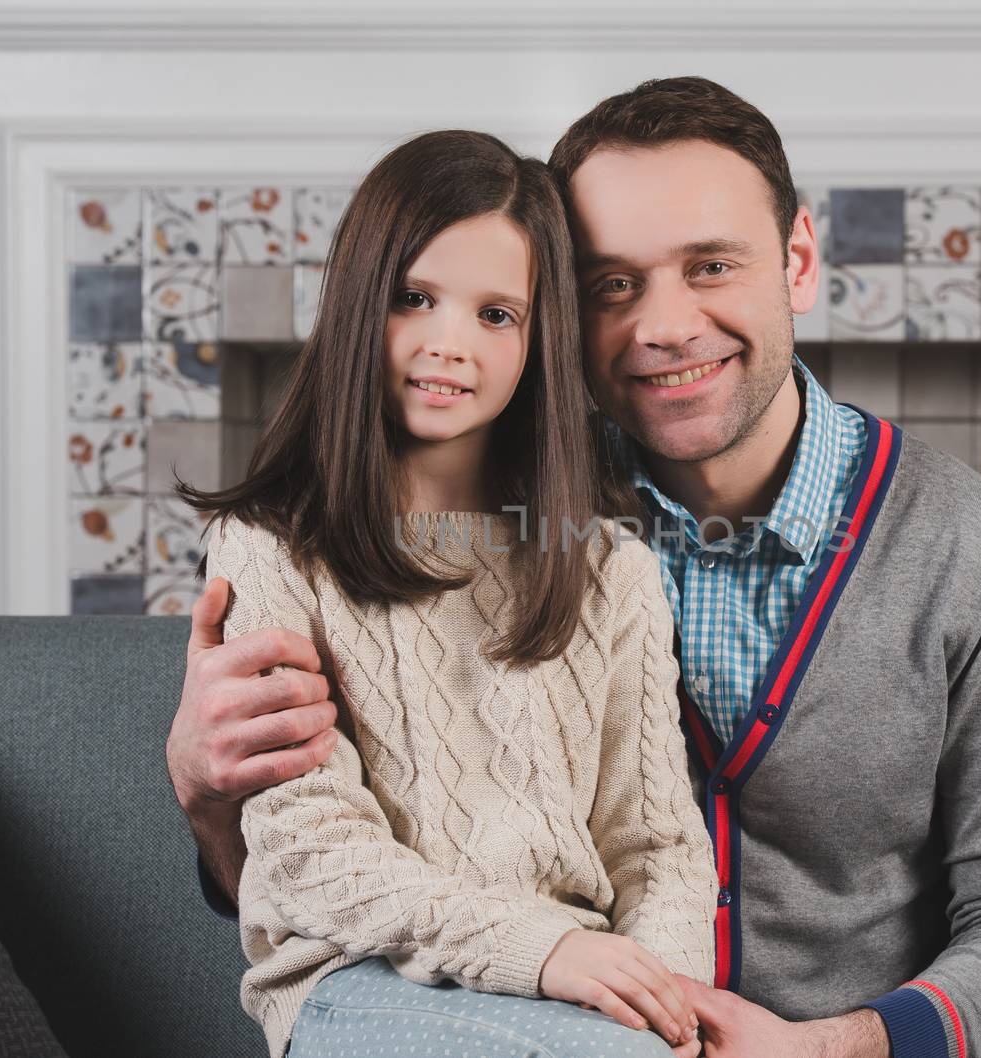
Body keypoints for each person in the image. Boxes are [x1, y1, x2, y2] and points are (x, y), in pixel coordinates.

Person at [168, 78, 981, 1058]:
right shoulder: (479, 503)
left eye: (710, 265)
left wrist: (824, 1048)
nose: (663, 325)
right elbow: (332, 863)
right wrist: (206, 797)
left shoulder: (976, 553)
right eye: (612, 283)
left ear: (795, 261)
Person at [174, 128, 718, 1058]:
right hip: (358, 980)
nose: (448, 344)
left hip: (574, 988)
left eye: (496, 315)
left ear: (538, 339)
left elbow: (657, 848)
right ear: (357, 304)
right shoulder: (268, 549)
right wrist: (545, 951)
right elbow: (307, 854)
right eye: (414, 298)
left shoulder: (609, 569)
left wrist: (660, 1001)